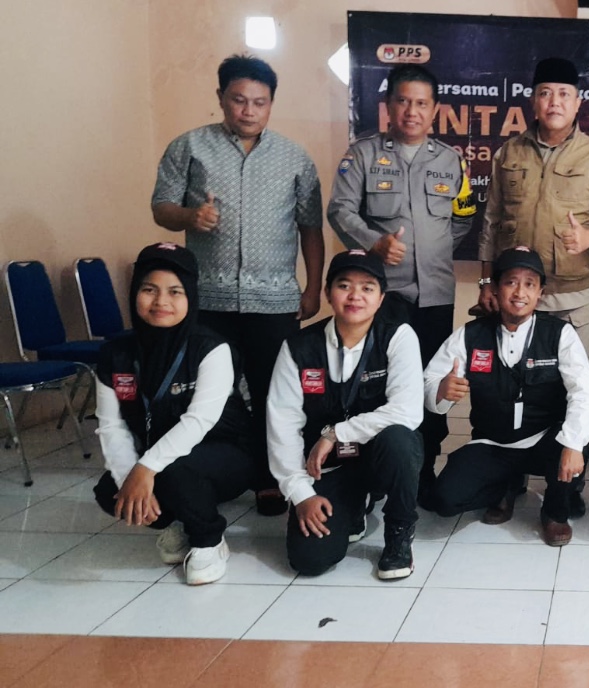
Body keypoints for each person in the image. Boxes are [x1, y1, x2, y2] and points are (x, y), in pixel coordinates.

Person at [151, 54, 325, 515]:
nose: (248, 110)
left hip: (274, 300)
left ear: (271, 104)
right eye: (239, 100)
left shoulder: (294, 157)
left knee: (274, 393)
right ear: (221, 98)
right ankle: (214, 476)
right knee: (212, 394)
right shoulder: (189, 147)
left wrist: (312, 288)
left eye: (259, 102)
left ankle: (270, 479)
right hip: (208, 300)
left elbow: (310, 227)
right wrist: (190, 216)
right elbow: (161, 207)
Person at [328, 64, 476, 506]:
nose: (412, 111)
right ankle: (375, 474)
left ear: (435, 109)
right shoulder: (363, 155)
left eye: (422, 103)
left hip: (434, 296)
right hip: (382, 297)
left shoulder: (450, 160)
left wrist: (431, 252)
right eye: (403, 101)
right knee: (378, 385)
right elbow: (339, 210)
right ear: (389, 106)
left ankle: (422, 471)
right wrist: (374, 244)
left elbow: (463, 218)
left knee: (431, 383)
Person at [93, 243, 257, 585]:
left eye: (175, 291)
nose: (161, 301)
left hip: (227, 456)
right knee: (111, 490)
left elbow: (200, 421)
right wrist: (129, 479)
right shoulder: (116, 354)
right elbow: (111, 426)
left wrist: (145, 468)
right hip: (161, 457)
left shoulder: (211, 348)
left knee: (175, 470)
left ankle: (209, 539)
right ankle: (173, 524)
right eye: (149, 289)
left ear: (190, 297)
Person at [424, 247, 589, 546]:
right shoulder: (471, 334)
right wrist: (441, 390)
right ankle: (503, 486)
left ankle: (554, 512)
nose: (520, 292)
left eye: (530, 284)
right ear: (495, 288)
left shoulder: (559, 334)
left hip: (545, 439)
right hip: (493, 443)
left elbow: (584, 392)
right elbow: (429, 381)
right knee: (444, 500)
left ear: (540, 293)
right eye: (511, 282)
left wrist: (573, 444)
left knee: (573, 449)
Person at [267, 250, 425, 580]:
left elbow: (407, 410)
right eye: (344, 285)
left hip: (377, 458)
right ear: (327, 293)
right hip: (327, 467)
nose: (355, 296)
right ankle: (353, 504)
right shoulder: (298, 347)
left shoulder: (398, 337)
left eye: (367, 288)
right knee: (310, 560)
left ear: (381, 298)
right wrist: (301, 494)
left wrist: (336, 433)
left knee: (401, 439)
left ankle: (398, 535)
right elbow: (282, 425)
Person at [477, 57, 589, 357]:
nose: (554, 102)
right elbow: (491, 223)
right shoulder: (509, 153)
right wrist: (485, 282)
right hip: (517, 300)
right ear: (534, 101)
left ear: (577, 103)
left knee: (572, 384)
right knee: (514, 381)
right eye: (545, 93)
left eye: (564, 94)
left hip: (573, 303)